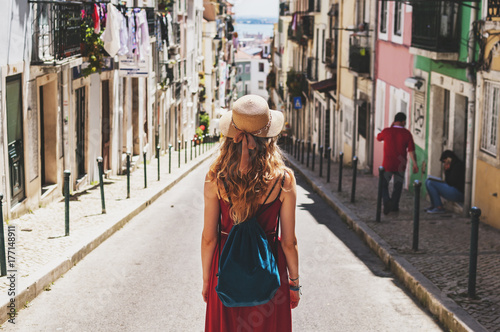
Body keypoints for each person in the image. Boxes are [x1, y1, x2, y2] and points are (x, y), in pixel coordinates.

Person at [201, 95, 300, 331]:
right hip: (268, 268)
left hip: (225, 269)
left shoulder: (215, 177)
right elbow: (289, 242)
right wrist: (294, 283)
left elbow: (208, 238)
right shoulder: (284, 179)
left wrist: (207, 280)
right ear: (269, 137)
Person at [377, 112, 419, 214]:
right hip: (400, 165)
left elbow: (379, 138)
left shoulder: (387, 131)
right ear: (403, 121)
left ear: (394, 120)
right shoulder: (407, 134)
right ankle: (394, 206)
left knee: (384, 185)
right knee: (398, 186)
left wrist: (391, 127)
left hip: (388, 164)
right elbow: (411, 151)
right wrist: (415, 164)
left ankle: (387, 201)